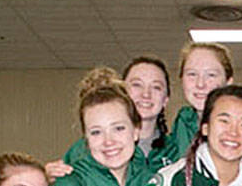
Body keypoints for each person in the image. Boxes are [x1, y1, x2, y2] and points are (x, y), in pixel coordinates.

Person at [52, 56, 180, 176]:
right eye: (136, 85)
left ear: (166, 99)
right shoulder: (86, 150)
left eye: (156, 87)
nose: (146, 94)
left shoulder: (176, 150)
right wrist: (47, 181)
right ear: (123, 92)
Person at [173, 42, 234, 152]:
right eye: (192, 74)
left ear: (228, 82)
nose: (200, 84)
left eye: (211, 75)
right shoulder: (181, 126)